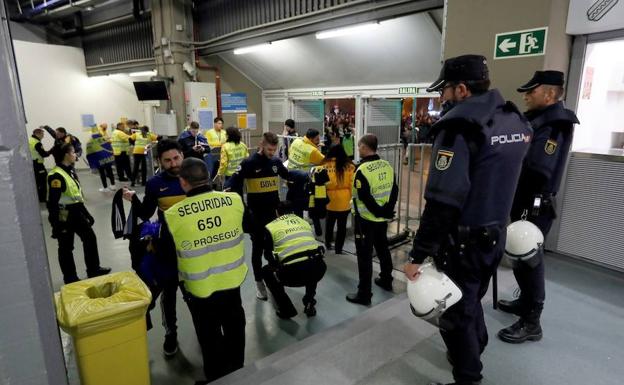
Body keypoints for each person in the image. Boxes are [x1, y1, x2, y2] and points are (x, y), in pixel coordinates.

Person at [403, 54, 532, 385]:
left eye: (444, 90)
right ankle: (477, 347)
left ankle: (468, 376)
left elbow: (444, 200)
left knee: (456, 313)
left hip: (464, 242)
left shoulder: (460, 128)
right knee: (472, 299)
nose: (441, 98)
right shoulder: (514, 121)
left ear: (461, 89)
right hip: (494, 234)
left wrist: (418, 254)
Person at [497, 70, 579, 344]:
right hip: (523, 200)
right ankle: (525, 304)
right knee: (520, 258)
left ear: (549, 93)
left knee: (530, 260)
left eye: (532, 90)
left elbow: (538, 168)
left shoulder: (556, 122)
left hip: (535, 204)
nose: (526, 95)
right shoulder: (539, 119)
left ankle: (532, 322)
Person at [164, 158, 247, 384]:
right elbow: (245, 226)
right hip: (232, 282)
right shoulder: (234, 200)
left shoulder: (172, 215)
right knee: (235, 328)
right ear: (208, 177)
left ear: (183, 182)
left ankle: (216, 377)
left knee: (209, 336)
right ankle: (238, 371)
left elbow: (168, 257)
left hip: (199, 290)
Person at [122, 139, 186, 357]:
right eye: (167, 160)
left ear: (182, 156)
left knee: (198, 299)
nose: (173, 163)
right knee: (168, 296)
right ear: (159, 161)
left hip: (194, 249)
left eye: (176, 158)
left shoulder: (194, 174)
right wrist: (133, 200)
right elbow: (145, 213)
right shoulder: (154, 184)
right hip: (167, 249)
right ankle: (171, 335)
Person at [225, 132, 290, 300]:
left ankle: (274, 278)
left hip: (273, 215)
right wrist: (242, 209)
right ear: (262, 145)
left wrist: (306, 177)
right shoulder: (249, 163)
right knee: (257, 250)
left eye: (274, 150)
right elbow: (233, 184)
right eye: (269, 149)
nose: (272, 153)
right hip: (256, 216)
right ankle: (259, 283)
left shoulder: (275, 162)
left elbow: (287, 175)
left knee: (273, 249)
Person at [47, 143, 111, 284]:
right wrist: (55, 224)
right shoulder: (56, 176)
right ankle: (70, 277)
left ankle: (93, 269)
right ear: (66, 155)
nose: (75, 154)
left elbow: (75, 196)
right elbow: (52, 203)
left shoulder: (69, 171)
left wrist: (86, 214)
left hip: (76, 212)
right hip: (64, 215)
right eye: (73, 152)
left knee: (89, 238)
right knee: (66, 246)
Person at [346, 134, 398, 305]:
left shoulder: (361, 170)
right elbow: (394, 190)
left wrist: (377, 212)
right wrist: (386, 211)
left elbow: (365, 198)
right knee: (383, 248)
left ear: (363, 147)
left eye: (359, 146)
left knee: (364, 256)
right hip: (382, 220)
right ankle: (386, 279)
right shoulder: (387, 166)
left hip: (365, 221)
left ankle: (364, 294)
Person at [262, 201, 327, 319]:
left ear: (277, 213)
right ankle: (309, 301)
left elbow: (268, 255)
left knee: (266, 271)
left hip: (292, 275)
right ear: (292, 211)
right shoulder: (304, 222)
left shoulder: (271, 227)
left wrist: (278, 265)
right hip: (319, 269)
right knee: (310, 261)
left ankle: (287, 310)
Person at [322, 144, 355, 254]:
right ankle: (338, 249)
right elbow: (352, 184)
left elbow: (322, 183)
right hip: (344, 201)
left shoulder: (325, 165)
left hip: (329, 200)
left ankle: (327, 243)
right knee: (342, 227)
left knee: (329, 224)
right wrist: (351, 198)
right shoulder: (349, 166)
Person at [85, 127, 116, 192]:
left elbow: (89, 152)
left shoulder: (90, 141)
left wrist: (92, 162)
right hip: (108, 158)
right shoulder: (104, 138)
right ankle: (113, 186)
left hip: (99, 160)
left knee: (102, 173)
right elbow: (109, 146)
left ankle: (105, 188)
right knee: (109, 171)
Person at [29, 127, 51, 202]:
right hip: (38, 165)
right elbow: (43, 154)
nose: (43, 136)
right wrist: (51, 151)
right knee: (42, 181)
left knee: (36, 181)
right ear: (37, 134)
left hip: (31, 163)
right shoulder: (36, 143)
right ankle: (42, 199)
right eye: (42, 134)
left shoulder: (29, 140)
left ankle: (37, 197)